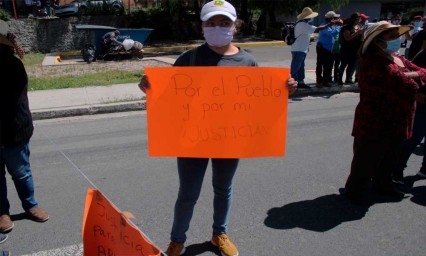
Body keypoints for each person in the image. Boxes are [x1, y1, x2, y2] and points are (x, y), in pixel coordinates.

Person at [138, 1, 297, 255]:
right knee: (188, 193)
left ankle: (219, 234)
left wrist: (284, 90)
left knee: (223, 189)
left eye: (224, 23)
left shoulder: (248, 61)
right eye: (211, 23)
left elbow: (260, 105)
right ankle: (177, 239)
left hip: (230, 139)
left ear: (235, 27)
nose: (217, 27)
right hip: (192, 140)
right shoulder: (189, 58)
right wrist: (149, 88)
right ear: (202, 27)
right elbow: (167, 97)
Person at [344, 21, 426, 200]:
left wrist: (411, 74)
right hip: (375, 120)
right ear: (378, 41)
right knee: (366, 158)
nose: (396, 39)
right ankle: (355, 191)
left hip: (398, 119)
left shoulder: (398, 58)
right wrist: (412, 76)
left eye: (397, 35)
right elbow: (407, 85)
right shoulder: (373, 61)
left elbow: (422, 72)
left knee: (390, 156)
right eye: (391, 36)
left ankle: (383, 184)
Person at [0, 24, 49, 234]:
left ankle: (30, 206)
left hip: (13, 132)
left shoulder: (13, 66)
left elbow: (11, 100)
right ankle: (2, 213)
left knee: (21, 173)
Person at [393, 20, 426, 183]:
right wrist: (419, 90)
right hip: (423, 102)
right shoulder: (423, 54)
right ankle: (397, 169)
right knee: (414, 136)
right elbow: (414, 72)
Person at [291, 7, 335, 89]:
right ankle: (294, 83)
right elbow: (317, 29)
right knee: (296, 67)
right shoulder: (302, 24)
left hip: (301, 48)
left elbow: (304, 34)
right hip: (299, 49)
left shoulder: (302, 23)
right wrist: (329, 25)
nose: (311, 18)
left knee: (301, 67)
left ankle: (300, 82)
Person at [315, 11, 342, 88]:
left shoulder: (331, 25)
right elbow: (332, 33)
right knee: (320, 65)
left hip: (329, 48)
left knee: (328, 66)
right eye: (334, 18)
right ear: (331, 18)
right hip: (323, 48)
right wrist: (339, 26)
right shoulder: (324, 25)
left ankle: (325, 80)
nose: (336, 19)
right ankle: (319, 81)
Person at [338, 12, 364, 86]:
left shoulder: (358, 27)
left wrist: (362, 34)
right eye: (358, 19)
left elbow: (361, 39)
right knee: (343, 65)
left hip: (355, 49)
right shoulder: (347, 27)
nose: (359, 20)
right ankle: (339, 79)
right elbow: (347, 38)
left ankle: (348, 79)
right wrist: (357, 32)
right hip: (346, 49)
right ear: (354, 19)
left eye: (359, 19)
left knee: (352, 65)